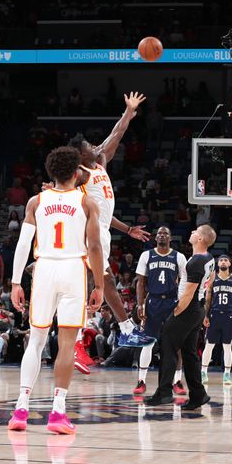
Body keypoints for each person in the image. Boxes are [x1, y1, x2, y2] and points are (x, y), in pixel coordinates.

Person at [7, 146, 104, 435]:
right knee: (65, 344)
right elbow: (96, 247)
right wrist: (98, 284)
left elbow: (23, 244)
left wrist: (15, 282)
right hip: (74, 268)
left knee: (35, 341)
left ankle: (21, 409)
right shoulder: (87, 203)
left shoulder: (36, 202)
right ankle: (58, 412)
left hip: (44, 268)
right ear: (76, 172)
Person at [66, 91, 150, 372]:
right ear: (80, 154)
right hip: (87, 234)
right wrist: (51, 190)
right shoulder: (79, 173)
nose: (95, 146)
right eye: (89, 145)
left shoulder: (99, 163)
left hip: (101, 231)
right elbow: (64, 189)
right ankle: (77, 343)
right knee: (88, 285)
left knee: (106, 284)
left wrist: (128, 111)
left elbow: (117, 134)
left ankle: (125, 328)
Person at [145, 225, 216, 410]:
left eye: (196, 231)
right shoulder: (209, 258)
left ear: (200, 239)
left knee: (167, 346)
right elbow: (210, 279)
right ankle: (198, 394)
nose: (192, 232)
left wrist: (175, 312)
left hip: (188, 309)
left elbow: (188, 294)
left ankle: (164, 393)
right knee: (189, 352)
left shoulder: (196, 262)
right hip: (198, 310)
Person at [133, 226, 187, 395]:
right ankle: (141, 380)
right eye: (159, 234)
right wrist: (140, 304)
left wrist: (182, 304)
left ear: (170, 238)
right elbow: (141, 282)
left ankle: (177, 381)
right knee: (148, 342)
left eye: (165, 233)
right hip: (153, 302)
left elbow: (185, 283)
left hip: (172, 302)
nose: (162, 235)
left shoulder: (179, 257)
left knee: (176, 344)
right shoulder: (146, 255)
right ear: (155, 238)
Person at [201, 255, 232, 386]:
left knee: (227, 346)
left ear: (230, 263)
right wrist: (205, 315)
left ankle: (227, 374)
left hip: (229, 316)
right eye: (221, 260)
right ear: (217, 263)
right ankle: (203, 371)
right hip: (214, 315)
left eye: (226, 260)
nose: (223, 262)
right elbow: (208, 299)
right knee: (209, 345)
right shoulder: (212, 279)